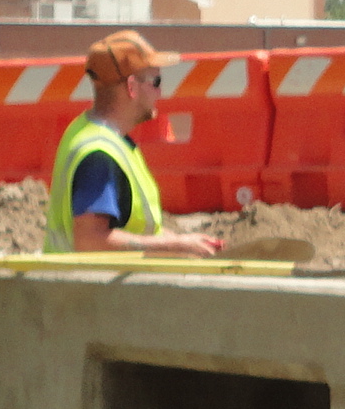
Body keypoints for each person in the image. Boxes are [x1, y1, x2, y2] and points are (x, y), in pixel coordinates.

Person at [45, 30, 227, 256]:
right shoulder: (100, 155)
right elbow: (90, 240)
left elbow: (135, 230)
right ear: (131, 87)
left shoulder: (92, 133)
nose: (160, 91)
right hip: (91, 290)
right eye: (156, 81)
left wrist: (184, 242)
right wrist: (176, 245)